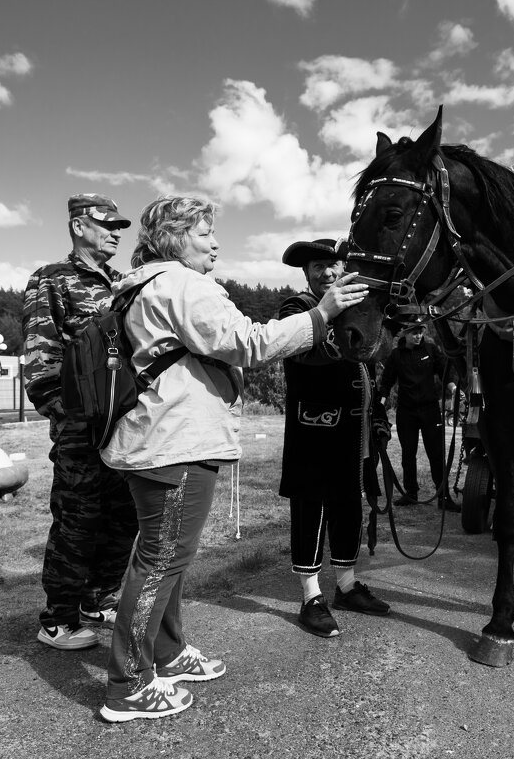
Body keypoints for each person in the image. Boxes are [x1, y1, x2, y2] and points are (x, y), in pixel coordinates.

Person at [97, 196, 369, 722]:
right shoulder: (182, 284)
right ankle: (128, 684)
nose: (216, 242)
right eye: (204, 233)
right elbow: (248, 342)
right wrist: (323, 314)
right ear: (175, 238)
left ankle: (168, 652)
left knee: (166, 556)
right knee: (159, 561)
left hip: (165, 439)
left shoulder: (147, 285)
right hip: (175, 442)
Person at [21, 193, 139, 651]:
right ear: (78, 226)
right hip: (80, 428)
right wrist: (68, 418)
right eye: (107, 224)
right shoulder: (52, 279)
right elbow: (40, 358)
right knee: (77, 521)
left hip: (123, 425)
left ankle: (97, 600)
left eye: (119, 227)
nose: (115, 233)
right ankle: (58, 618)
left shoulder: (122, 282)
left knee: (123, 518)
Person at [277, 238, 393, 639]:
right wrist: (332, 317)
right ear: (307, 274)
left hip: (354, 430)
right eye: (319, 267)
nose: (329, 272)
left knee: (348, 506)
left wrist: (378, 417)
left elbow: (369, 371)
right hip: (315, 428)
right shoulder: (296, 308)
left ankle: (345, 586)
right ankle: (311, 596)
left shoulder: (358, 309)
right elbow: (308, 353)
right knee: (311, 507)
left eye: (336, 265)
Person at [378, 320, 460, 510]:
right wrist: (380, 405)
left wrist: (454, 388)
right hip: (407, 412)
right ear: (405, 334)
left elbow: (444, 372)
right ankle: (411, 493)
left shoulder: (430, 350)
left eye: (420, 332)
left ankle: (444, 496)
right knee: (408, 454)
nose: (418, 336)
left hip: (430, 409)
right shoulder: (396, 355)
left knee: (436, 454)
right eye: (414, 333)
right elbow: (386, 383)